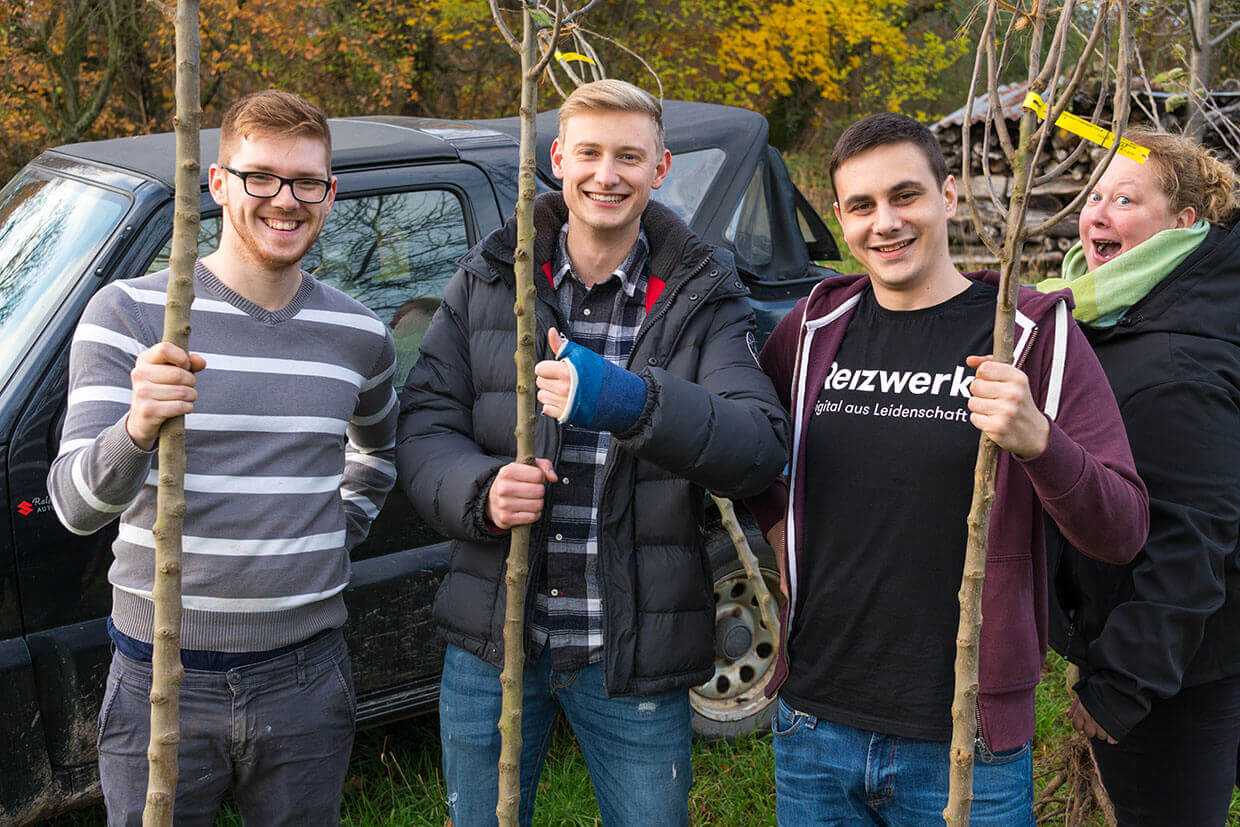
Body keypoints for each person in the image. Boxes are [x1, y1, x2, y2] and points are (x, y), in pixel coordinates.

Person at [396, 79, 789, 827]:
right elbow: (422, 428)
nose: (607, 174)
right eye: (590, 153)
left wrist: (631, 400)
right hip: (496, 643)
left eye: (629, 157)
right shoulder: (489, 278)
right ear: (557, 159)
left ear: (661, 168)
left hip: (632, 648)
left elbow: (758, 449)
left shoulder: (705, 295)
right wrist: (479, 491)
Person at [743, 113, 1149, 825]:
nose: (886, 222)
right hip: (814, 721)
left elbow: (1121, 527)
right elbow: (742, 442)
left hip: (966, 741)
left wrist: (1038, 440)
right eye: (862, 206)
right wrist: (776, 520)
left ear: (949, 194)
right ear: (839, 218)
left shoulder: (1028, 333)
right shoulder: (809, 331)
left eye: (906, 196)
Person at [47, 90, 398, 825]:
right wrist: (138, 425)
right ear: (217, 183)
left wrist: (332, 532)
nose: (285, 200)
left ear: (330, 194)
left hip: (306, 676)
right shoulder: (131, 315)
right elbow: (76, 506)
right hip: (160, 679)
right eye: (260, 176)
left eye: (307, 182)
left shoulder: (358, 335)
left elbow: (377, 451)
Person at [1038, 130, 1240, 826]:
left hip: (1176, 673)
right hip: (1167, 649)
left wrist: (1122, 682)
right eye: (1092, 195)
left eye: (1125, 199)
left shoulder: (1178, 356)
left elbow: (1193, 537)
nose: (1096, 213)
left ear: (1183, 223)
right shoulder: (1118, 313)